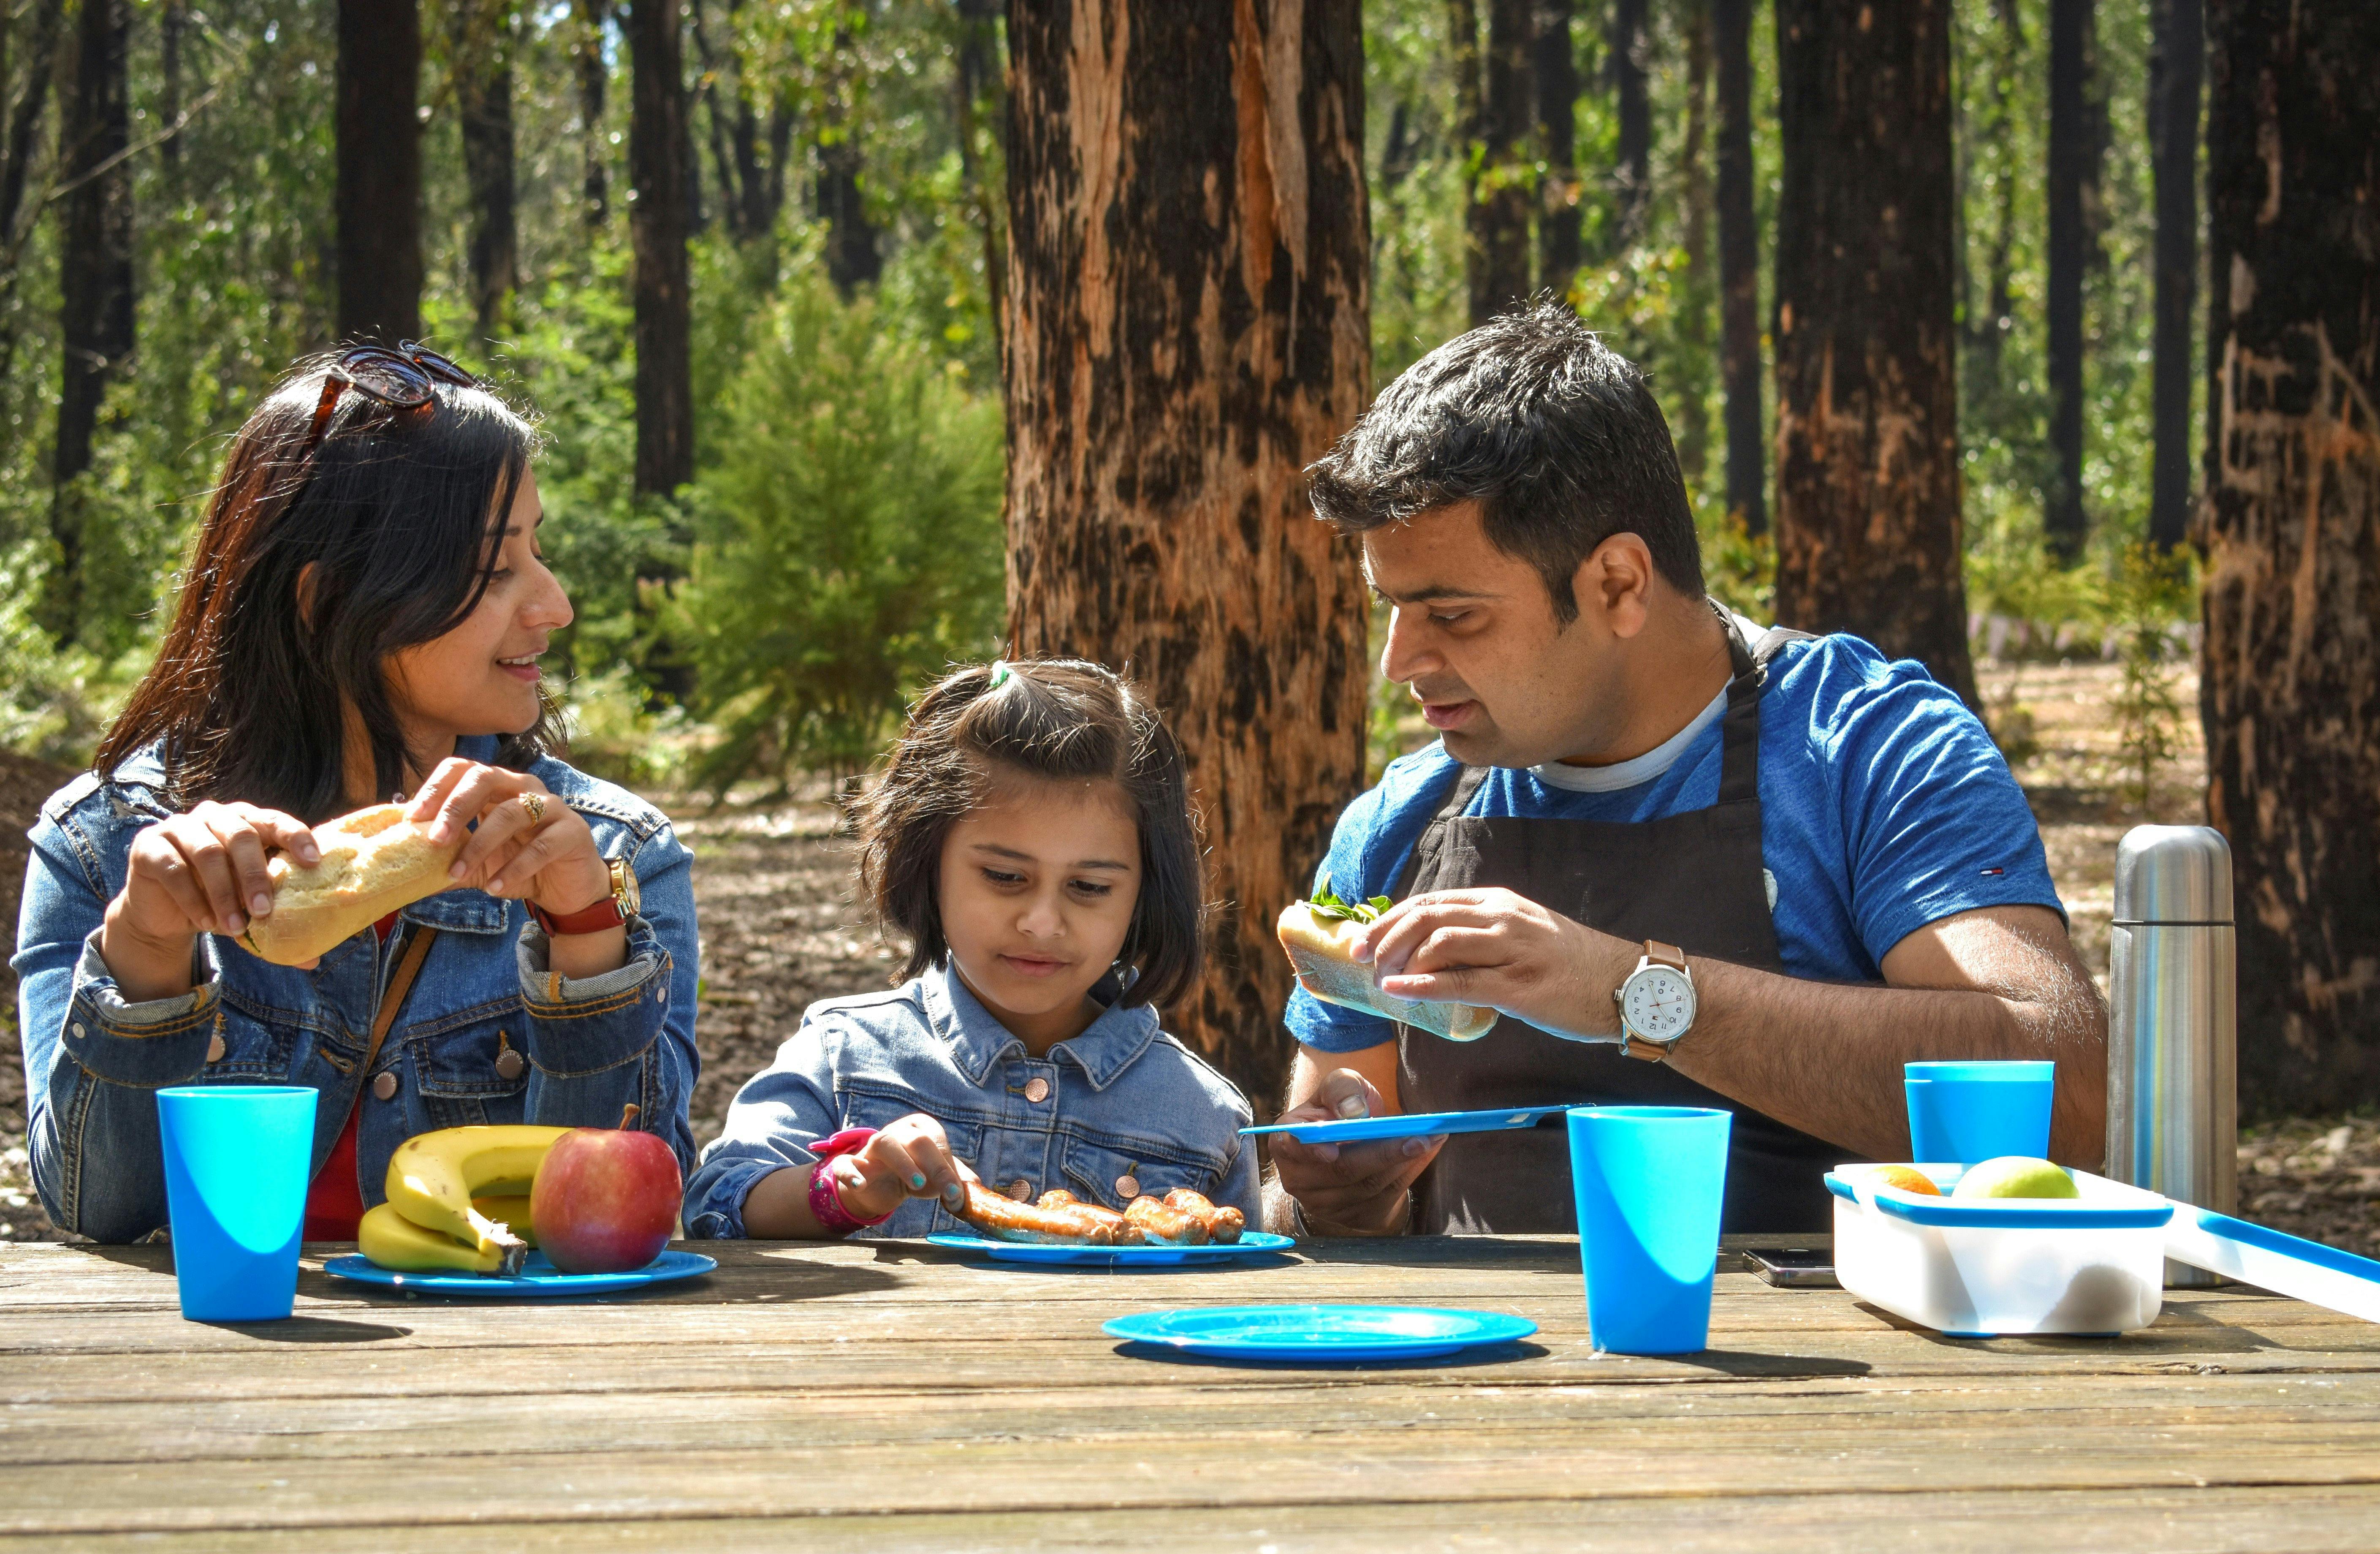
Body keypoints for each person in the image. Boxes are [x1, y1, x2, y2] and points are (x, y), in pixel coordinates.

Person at [1266, 304, 2106, 1238]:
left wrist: (1631, 992)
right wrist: (1337, 1192)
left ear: (1620, 583)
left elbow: (2062, 1097)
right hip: (1469, 1372)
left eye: (1452, 614)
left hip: (1834, 1375)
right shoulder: (1397, 824)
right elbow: (1314, 1206)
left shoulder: (1864, 750)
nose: (1399, 661)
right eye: (1392, 607)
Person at [18, 344, 700, 1244]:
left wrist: (585, 932)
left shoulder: (614, 853)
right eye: (497, 569)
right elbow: (98, 1205)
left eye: (540, 551)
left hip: (507, 1371)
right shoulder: (108, 845)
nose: (556, 604)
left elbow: (621, 1218)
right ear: (328, 597)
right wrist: (148, 944)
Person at [685, 659, 1257, 1240]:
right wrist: (848, 1189)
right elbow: (719, 1200)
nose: (1041, 922)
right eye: (1005, 876)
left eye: (1089, 888)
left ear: (1146, 894)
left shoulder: (1206, 1118)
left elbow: (1240, 1304)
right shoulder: (844, 1057)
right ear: (926, 862)